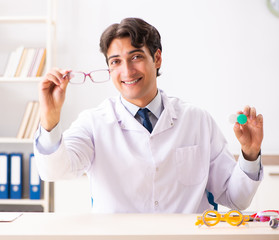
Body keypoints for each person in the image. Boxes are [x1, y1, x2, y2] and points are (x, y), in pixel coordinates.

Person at [34, 18, 264, 213]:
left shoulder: (197, 120)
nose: (127, 71)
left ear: (157, 59)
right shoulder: (93, 123)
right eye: (116, 62)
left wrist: (250, 154)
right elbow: (54, 171)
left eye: (136, 57)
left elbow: (236, 199)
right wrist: (49, 119)